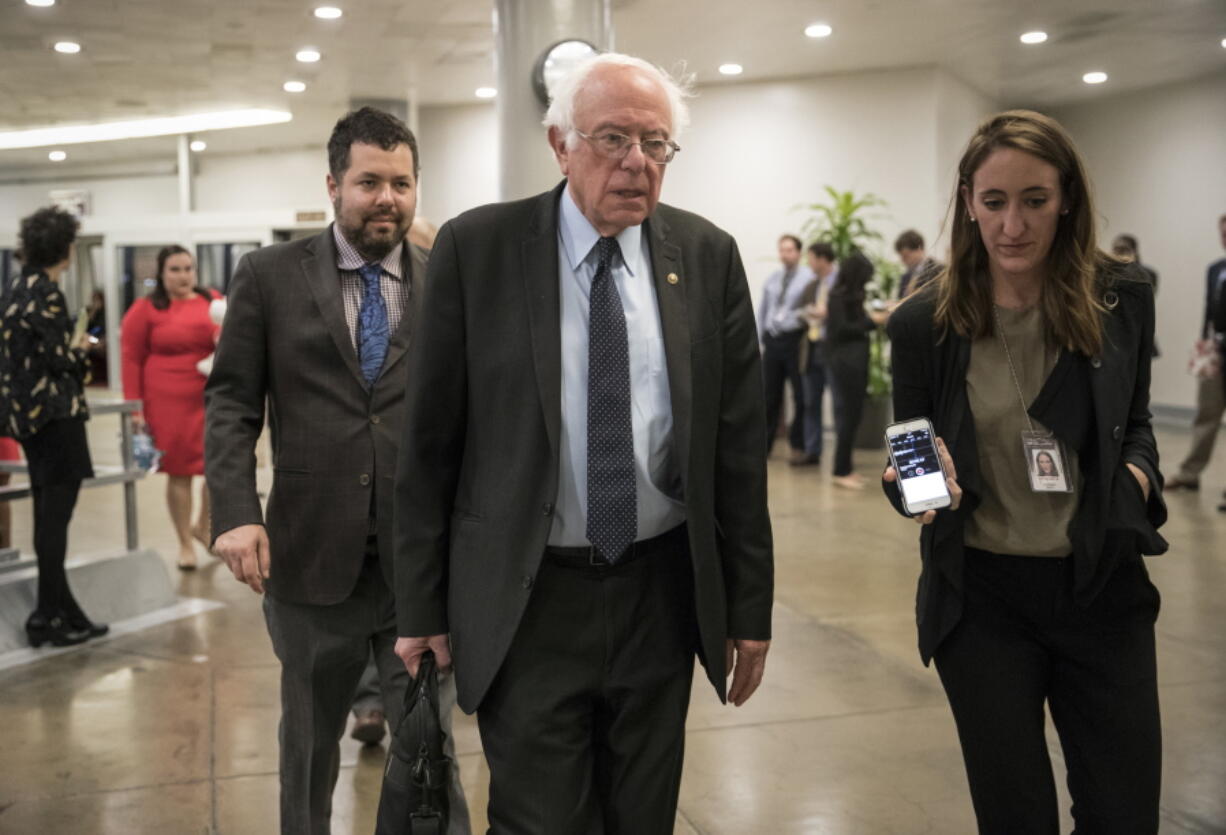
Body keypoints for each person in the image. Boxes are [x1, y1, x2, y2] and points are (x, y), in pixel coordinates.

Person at [393, 52, 773, 832]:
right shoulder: (478, 251)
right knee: (539, 820)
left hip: (658, 595)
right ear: (560, 144)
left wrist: (749, 605)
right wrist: (422, 606)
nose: (637, 162)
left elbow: (736, 453)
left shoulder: (705, 257)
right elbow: (429, 445)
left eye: (656, 143)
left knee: (643, 815)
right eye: (612, 138)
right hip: (530, 596)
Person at [882, 110, 1167, 833]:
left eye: (1034, 200)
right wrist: (919, 487)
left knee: (1123, 812)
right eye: (995, 201)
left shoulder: (1120, 298)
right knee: (1016, 816)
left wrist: (1134, 479)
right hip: (983, 601)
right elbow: (909, 447)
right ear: (968, 201)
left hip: (1101, 587)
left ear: (1066, 198)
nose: (1013, 224)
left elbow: (1135, 423)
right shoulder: (924, 323)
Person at [204, 107, 468, 834]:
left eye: (403, 183)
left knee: (427, 747)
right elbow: (230, 400)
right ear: (333, 185)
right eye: (369, 182)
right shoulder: (268, 276)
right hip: (311, 557)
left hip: (421, 563)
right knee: (310, 742)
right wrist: (233, 508)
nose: (387, 197)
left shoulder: (446, 277)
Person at [0, 207, 108, 647]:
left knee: (48, 517)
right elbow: (59, 360)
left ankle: (65, 612)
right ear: (64, 247)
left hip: (26, 420)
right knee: (54, 521)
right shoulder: (46, 292)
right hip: (56, 418)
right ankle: (46, 616)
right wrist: (82, 348)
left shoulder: (12, 289)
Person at [121, 246, 221, 570]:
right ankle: (183, 543)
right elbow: (131, 359)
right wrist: (134, 409)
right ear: (162, 274)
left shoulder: (212, 301)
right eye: (175, 270)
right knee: (179, 472)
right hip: (166, 399)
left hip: (208, 395)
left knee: (216, 468)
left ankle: (202, 526)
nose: (183, 276)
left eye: (188, 269)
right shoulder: (145, 309)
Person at [1165, 214, 1226, 498]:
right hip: (1215, 352)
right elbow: (1209, 308)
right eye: (1222, 233)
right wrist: (1203, 343)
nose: (1224, 237)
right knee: (1206, 413)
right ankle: (1190, 474)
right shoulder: (1215, 269)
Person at [827, 251, 887, 489]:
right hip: (846, 363)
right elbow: (842, 328)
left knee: (854, 416)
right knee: (848, 417)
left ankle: (847, 468)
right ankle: (840, 470)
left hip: (854, 361)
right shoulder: (838, 296)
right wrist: (874, 321)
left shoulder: (851, 295)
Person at [758, 234, 814, 461]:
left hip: (795, 340)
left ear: (799, 253)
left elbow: (809, 309)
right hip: (773, 340)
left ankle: (797, 445)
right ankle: (765, 446)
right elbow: (764, 308)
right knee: (769, 395)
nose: (785, 254)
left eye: (790, 250)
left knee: (800, 396)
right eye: (782, 250)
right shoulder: (774, 278)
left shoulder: (808, 278)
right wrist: (761, 335)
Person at [797, 242, 838, 467]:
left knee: (839, 402)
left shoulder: (841, 283)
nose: (809, 263)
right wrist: (809, 314)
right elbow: (801, 309)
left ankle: (842, 455)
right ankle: (812, 450)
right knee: (811, 401)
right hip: (812, 348)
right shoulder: (812, 285)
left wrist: (828, 313)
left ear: (822, 258)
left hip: (832, 348)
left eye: (811, 258)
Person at [895, 229, 943, 299]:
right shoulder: (906, 276)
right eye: (901, 256)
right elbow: (900, 299)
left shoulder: (938, 271)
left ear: (919, 249)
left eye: (906, 256)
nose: (903, 260)